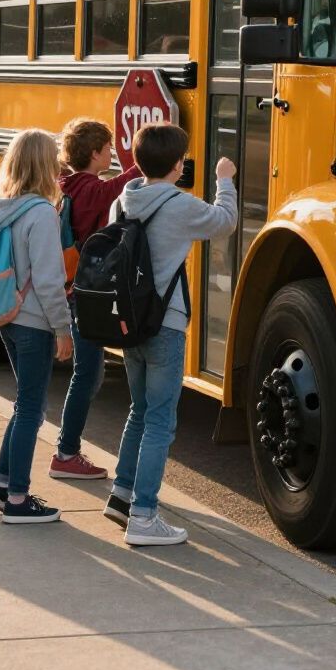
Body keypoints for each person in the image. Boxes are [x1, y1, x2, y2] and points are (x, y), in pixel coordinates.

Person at [106, 123, 237, 546]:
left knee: (139, 411)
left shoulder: (122, 202)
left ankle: (121, 495)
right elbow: (227, 222)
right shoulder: (178, 205)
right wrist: (225, 180)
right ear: (178, 165)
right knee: (161, 420)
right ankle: (143, 517)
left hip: (128, 323)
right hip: (164, 324)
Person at [0, 129, 74, 524]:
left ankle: (0, 484)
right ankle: (18, 498)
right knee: (31, 407)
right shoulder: (40, 213)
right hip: (35, 321)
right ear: (43, 164)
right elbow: (51, 280)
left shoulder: (0, 206)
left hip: (7, 317)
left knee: (25, 406)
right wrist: (63, 328)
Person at [49, 117, 140, 480]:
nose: (112, 155)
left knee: (90, 373)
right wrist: (149, 157)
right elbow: (117, 186)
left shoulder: (67, 182)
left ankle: (66, 450)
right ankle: (66, 453)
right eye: (107, 150)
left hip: (72, 286)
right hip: (81, 292)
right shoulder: (89, 188)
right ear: (93, 153)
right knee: (87, 375)